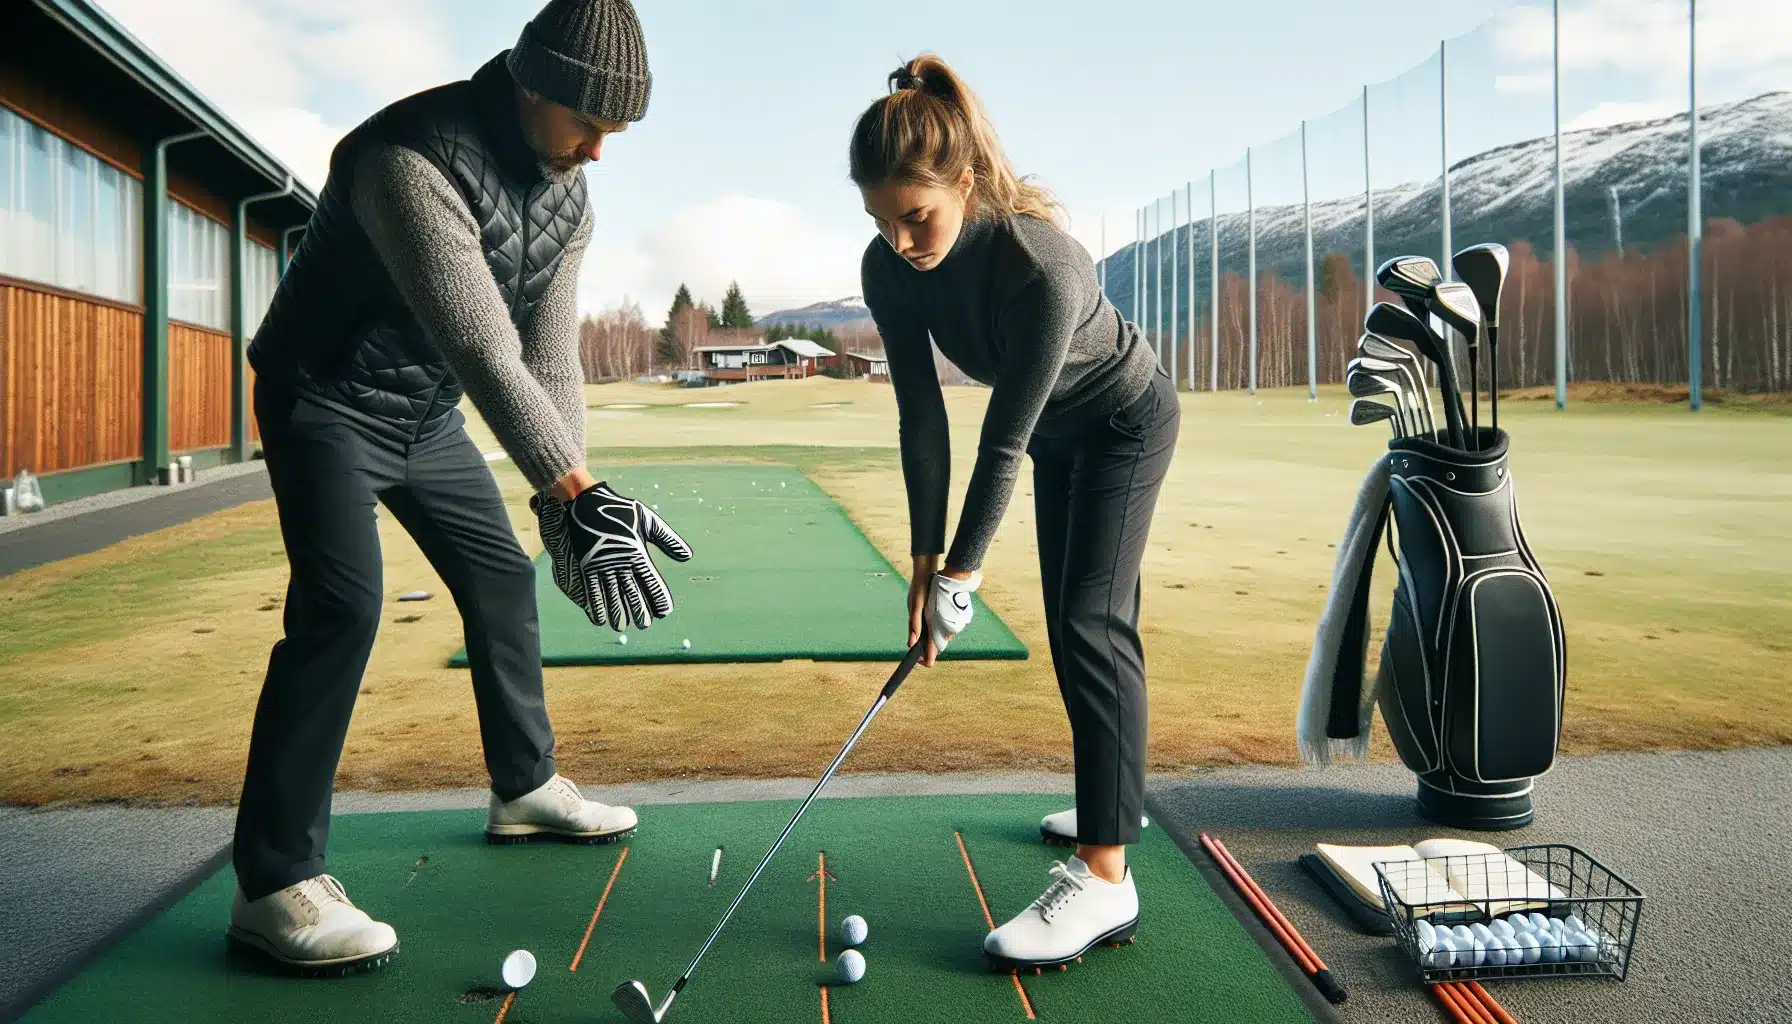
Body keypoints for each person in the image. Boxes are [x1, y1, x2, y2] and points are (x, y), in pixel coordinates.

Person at [232, 0, 691, 976]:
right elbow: (481, 344)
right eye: (589, 123)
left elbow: (550, 356)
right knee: (341, 607)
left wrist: (561, 503)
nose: (600, 151)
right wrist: (575, 485)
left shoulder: (570, 196)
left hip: (423, 418)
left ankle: (523, 786)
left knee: (501, 577)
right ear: (531, 85)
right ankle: (273, 883)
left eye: (616, 132)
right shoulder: (407, 158)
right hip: (322, 398)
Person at [851, 54, 1181, 971]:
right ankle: (1109, 792)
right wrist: (923, 561)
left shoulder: (1040, 264)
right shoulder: (889, 268)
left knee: (1091, 624)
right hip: (1059, 441)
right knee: (1078, 622)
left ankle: (1107, 877)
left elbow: (1001, 436)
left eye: (917, 216)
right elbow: (922, 417)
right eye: (880, 219)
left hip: (1123, 423)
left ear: (964, 182)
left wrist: (961, 574)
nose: (902, 240)